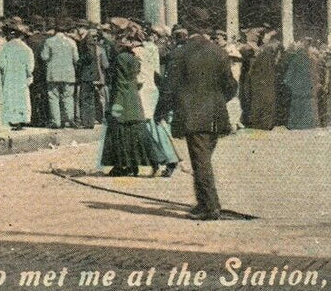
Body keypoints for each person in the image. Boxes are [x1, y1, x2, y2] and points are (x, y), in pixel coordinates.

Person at [158, 22, 236, 220]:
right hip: (216, 114)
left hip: (192, 114)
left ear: (188, 29)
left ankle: (209, 207)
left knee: (200, 161)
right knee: (203, 158)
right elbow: (231, 86)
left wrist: (160, 111)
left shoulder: (181, 53)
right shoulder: (219, 52)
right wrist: (217, 101)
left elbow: (169, 87)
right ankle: (206, 201)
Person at [99, 33, 150, 177]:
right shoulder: (135, 59)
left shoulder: (120, 59)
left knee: (118, 132)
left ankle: (120, 165)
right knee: (132, 133)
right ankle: (133, 165)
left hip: (120, 98)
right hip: (133, 98)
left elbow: (115, 77)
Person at [138, 28, 179, 177]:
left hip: (143, 89)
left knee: (149, 127)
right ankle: (168, 158)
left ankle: (161, 160)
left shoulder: (141, 50)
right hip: (153, 88)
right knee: (156, 125)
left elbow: (141, 75)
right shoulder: (153, 48)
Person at [40, 25, 79, 129]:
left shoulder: (49, 41)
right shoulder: (72, 42)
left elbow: (44, 57)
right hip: (69, 74)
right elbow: (76, 59)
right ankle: (69, 119)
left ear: (55, 30)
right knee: (68, 97)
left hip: (53, 74)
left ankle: (56, 121)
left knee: (53, 97)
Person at [0, 27, 35, 131]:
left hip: (9, 76)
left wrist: (4, 71)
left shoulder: (5, 47)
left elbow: (1, 62)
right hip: (21, 76)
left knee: (9, 97)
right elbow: (30, 66)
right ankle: (21, 120)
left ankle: (11, 120)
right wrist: (28, 74)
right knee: (21, 98)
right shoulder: (26, 48)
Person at [244, 30, 281, 129]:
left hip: (260, 81)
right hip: (265, 81)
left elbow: (256, 68)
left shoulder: (263, 51)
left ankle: (260, 124)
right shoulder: (267, 51)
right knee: (265, 102)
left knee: (260, 102)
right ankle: (264, 124)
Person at [281, 40, 320, 130]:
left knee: (296, 115)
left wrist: (292, 87)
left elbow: (288, 78)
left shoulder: (294, 60)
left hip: (297, 93)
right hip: (307, 93)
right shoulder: (311, 60)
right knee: (307, 116)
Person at [75, 29, 103, 128]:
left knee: (86, 98)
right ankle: (88, 122)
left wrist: (79, 62)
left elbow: (89, 55)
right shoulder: (89, 39)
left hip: (87, 74)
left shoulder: (87, 40)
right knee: (88, 99)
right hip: (89, 74)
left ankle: (87, 122)